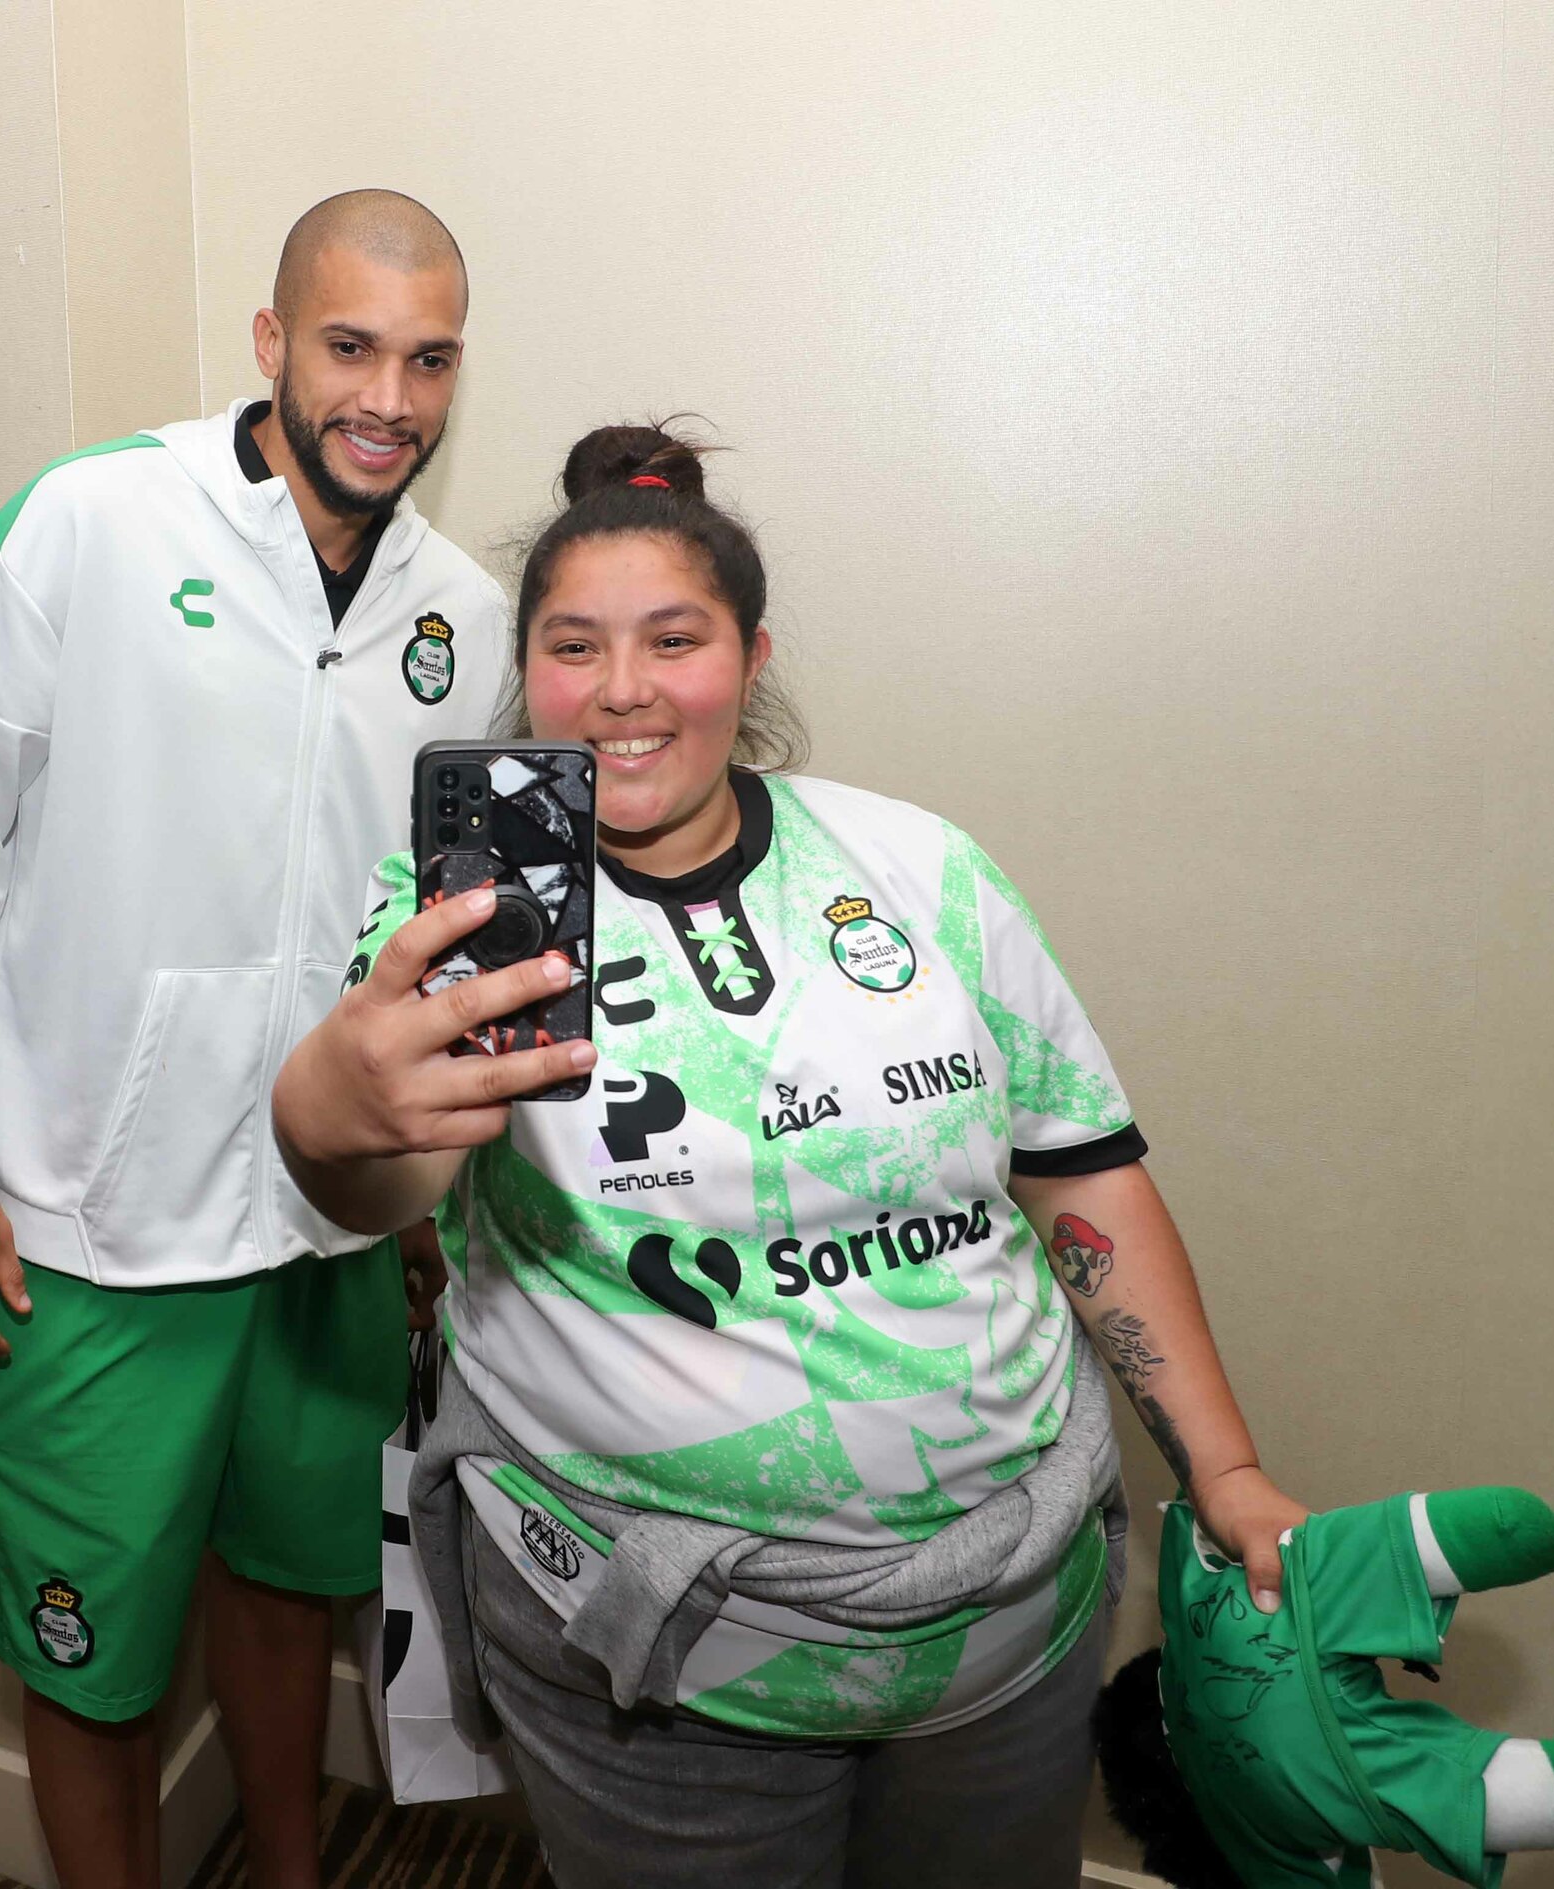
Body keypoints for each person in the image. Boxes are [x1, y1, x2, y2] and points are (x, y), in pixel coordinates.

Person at [273, 421, 1309, 1889]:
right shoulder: (458, 917)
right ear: (528, 674)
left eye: (673, 639)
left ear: (750, 661)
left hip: (1005, 1641)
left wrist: (1228, 1465)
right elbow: (384, 1178)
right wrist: (324, 1116)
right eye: (573, 647)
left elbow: (1080, 1174)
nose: (622, 689)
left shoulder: (922, 866)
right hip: (661, 1681)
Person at [0, 190, 507, 1889]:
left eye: (430, 359)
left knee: (293, 1589)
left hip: (328, 1230)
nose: (390, 398)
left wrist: (415, 1195)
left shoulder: (465, 615)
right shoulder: (90, 520)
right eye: (351, 346)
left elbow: (428, 936)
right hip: (90, 1225)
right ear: (271, 341)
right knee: (93, 1657)